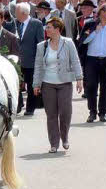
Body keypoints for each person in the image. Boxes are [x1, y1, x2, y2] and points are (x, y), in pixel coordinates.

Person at [32, 17, 84, 153]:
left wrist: (79, 78)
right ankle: (54, 143)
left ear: (57, 29)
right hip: (47, 83)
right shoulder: (41, 46)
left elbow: (75, 60)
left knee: (66, 112)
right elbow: (38, 66)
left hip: (65, 83)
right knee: (51, 114)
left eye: (49, 27)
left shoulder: (68, 43)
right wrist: (36, 84)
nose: (46, 29)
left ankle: (64, 136)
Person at [81, 3, 106, 122]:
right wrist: (95, 32)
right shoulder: (91, 24)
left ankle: (103, 112)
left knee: (104, 87)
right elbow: (83, 41)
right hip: (91, 59)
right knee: (91, 86)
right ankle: (92, 112)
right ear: (101, 12)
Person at [12, 2, 45, 115]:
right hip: (17, 61)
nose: (15, 14)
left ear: (23, 13)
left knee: (31, 85)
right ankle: (18, 105)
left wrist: (39, 60)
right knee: (17, 84)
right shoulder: (15, 24)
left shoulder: (36, 24)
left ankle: (30, 108)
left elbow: (40, 42)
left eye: (16, 12)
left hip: (31, 60)